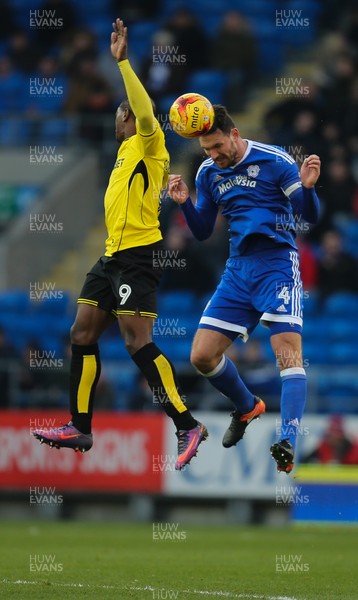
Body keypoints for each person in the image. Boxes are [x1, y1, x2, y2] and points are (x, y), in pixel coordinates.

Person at [32, 19, 207, 471]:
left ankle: (187, 423)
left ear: (128, 115)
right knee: (82, 332)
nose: (117, 115)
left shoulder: (151, 143)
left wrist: (124, 62)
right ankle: (80, 425)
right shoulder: (124, 154)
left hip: (137, 257)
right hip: (110, 256)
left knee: (136, 341)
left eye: (121, 110)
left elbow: (146, 111)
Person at [168, 105, 321, 474]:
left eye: (218, 146)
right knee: (202, 356)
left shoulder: (275, 160)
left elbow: (310, 217)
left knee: (287, 354)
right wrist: (186, 203)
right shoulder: (208, 172)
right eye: (207, 149)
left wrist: (309, 190)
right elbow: (203, 230)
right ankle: (247, 405)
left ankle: (288, 438)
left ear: (234, 134)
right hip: (238, 270)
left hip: (277, 266)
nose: (214, 155)